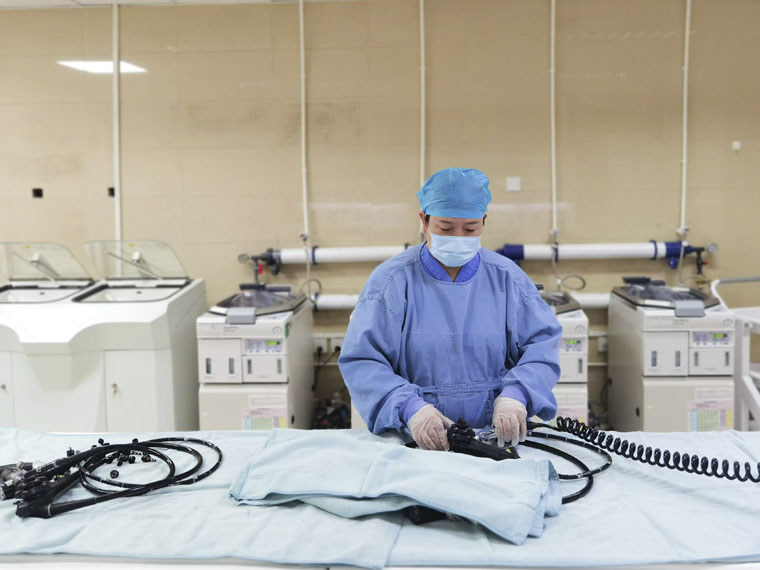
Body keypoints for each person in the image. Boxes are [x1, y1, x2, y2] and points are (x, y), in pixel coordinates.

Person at [337, 167, 562, 451]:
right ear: (424, 220)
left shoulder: (507, 279)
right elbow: (363, 361)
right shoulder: (391, 282)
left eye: (470, 229)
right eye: (445, 228)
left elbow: (542, 346)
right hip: (414, 441)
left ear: (484, 221)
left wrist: (517, 395)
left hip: (495, 440)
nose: (458, 237)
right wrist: (410, 408)